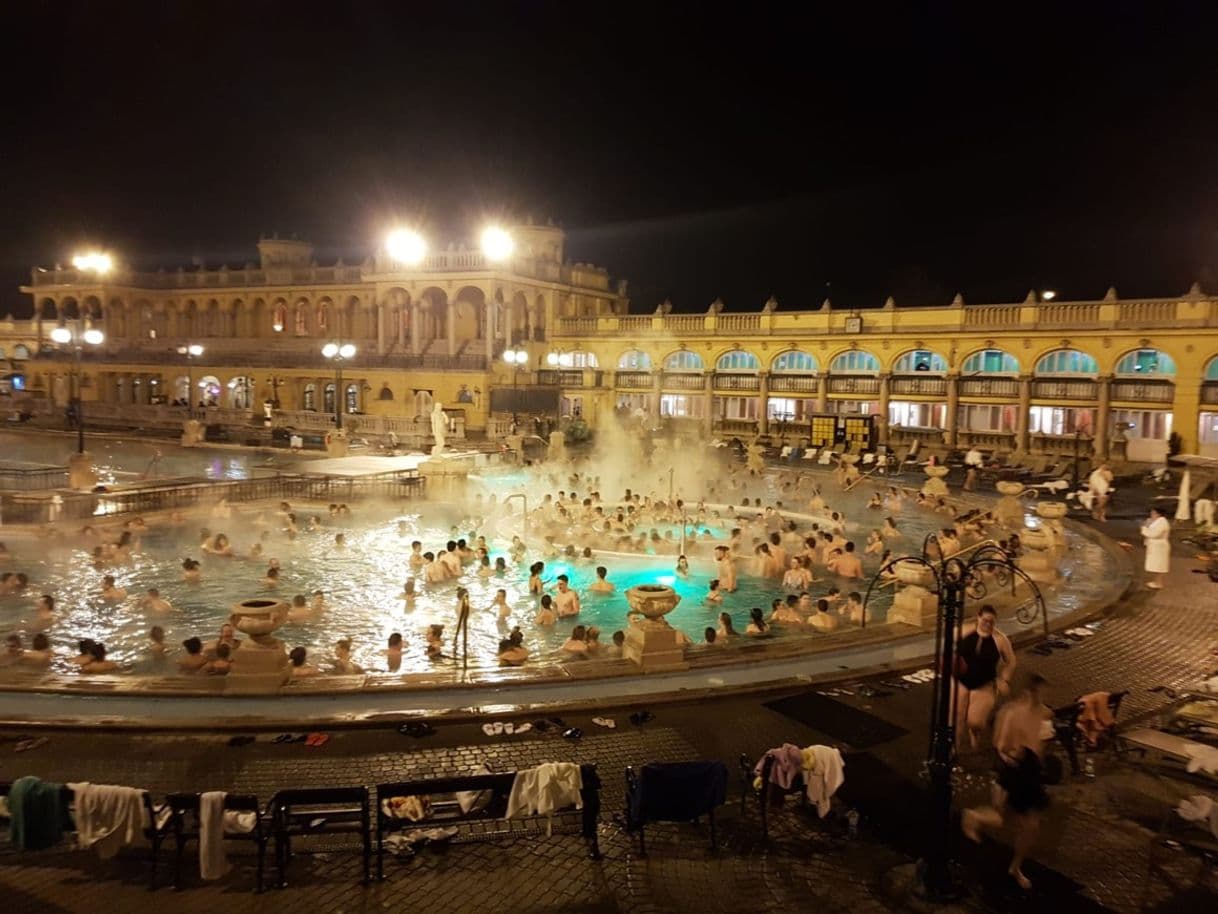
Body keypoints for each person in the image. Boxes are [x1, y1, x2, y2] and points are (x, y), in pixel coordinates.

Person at [962, 673, 1053, 890]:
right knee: (1000, 818)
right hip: (1012, 770)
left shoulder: (1045, 713)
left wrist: (1038, 764)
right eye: (1038, 693)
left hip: (1031, 773)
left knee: (1030, 824)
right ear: (1028, 692)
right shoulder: (1011, 713)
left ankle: (1016, 867)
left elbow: (1043, 743)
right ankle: (973, 816)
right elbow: (1000, 745)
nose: (1041, 698)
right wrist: (1013, 756)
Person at [954, 604, 1016, 751]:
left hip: (985, 683)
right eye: (985, 620)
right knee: (958, 718)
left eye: (991, 622)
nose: (987, 624)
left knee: (975, 722)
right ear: (979, 617)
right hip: (961, 681)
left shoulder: (1000, 639)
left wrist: (1004, 679)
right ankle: (953, 751)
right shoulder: (963, 631)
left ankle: (975, 732)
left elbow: (1011, 661)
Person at [1140, 506, 1171, 589]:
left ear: (1158, 514)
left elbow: (1153, 534)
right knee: (1157, 565)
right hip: (1155, 546)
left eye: (1153, 513)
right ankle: (1156, 581)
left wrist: (1144, 527)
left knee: (1160, 565)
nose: (1151, 514)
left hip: (1160, 547)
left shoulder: (1162, 522)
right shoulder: (1157, 521)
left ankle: (1159, 583)